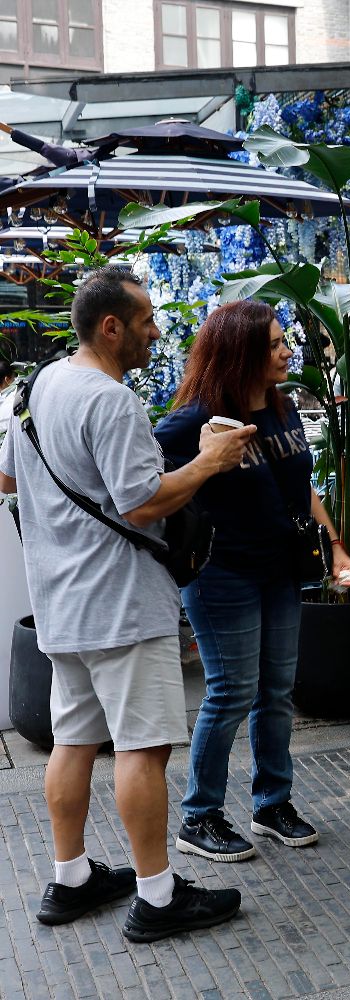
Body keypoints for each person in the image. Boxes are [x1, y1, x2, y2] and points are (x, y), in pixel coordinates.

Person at [0, 266, 250, 941]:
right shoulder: (111, 401)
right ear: (110, 327)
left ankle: (70, 878)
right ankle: (157, 896)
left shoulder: (37, 385)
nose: (156, 333)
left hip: (61, 603)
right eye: (146, 322)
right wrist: (210, 459)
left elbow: (7, 476)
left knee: (74, 740)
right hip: (122, 603)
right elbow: (142, 504)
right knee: (144, 747)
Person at [153, 300, 350, 863]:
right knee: (231, 691)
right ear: (240, 352)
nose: (287, 352)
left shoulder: (281, 407)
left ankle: (272, 803)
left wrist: (336, 544)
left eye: (283, 341)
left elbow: (301, 488)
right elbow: (150, 485)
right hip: (222, 575)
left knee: (276, 690)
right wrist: (202, 467)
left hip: (281, 570)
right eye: (273, 344)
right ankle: (199, 815)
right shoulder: (196, 419)